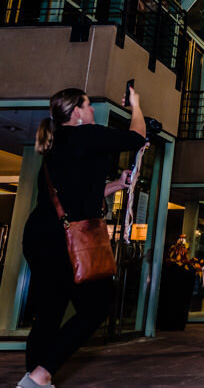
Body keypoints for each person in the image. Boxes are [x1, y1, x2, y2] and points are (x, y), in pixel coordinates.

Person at [20, 87, 146, 388]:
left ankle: (32, 380)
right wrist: (136, 106)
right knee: (97, 306)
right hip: (69, 241)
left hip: (42, 235)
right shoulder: (86, 134)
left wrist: (115, 184)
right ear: (76, 111)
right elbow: (137, 137)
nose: (91, 111)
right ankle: (42, 373)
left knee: (50, 312)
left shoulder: (54, 144)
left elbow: (76, 194)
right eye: (88, 106)